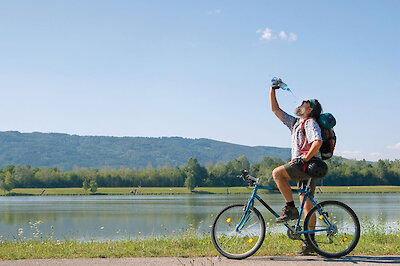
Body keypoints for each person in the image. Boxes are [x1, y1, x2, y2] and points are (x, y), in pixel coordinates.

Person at [269, 83, 323, 255]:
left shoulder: (310, 123)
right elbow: (275, 110)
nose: (302, 102)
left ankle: (290, 209)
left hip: (308, 166)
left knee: (277, 173)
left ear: (311, 109)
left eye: (306, 102)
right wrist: (272, 90)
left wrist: (304, 159)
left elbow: (318, 142)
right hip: (303, 167)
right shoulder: (295, 123)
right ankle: (310, 243)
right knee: (306, 204)